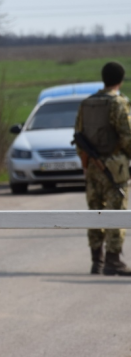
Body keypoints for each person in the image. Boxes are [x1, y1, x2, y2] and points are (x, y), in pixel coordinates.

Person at [74, 62, 131, 276]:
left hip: (92, 167)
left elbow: (78, 135)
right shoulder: (119, 103)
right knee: (116, 212)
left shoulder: (87, 103)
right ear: (120, 80)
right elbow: (127, 136)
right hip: (114, 167)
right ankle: (113, 260)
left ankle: (96, 261)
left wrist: (86, 163)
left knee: (95, 212)